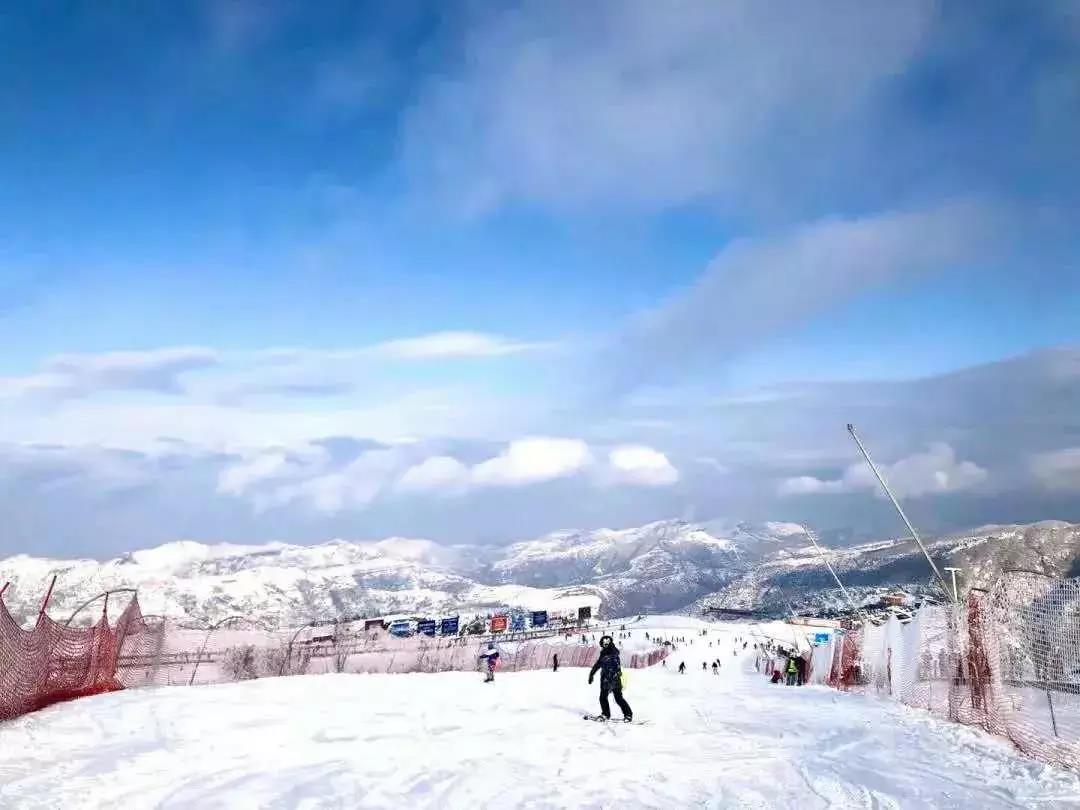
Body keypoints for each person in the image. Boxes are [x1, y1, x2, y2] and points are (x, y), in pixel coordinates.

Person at [588, 635, 633, 722]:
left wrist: (613, 677)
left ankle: (628, 714)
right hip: (606, 680)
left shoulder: (613, 652)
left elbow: (615, 666)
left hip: (613, 679)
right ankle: (606, 714)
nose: (604, 645)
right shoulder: (604, 653)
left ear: (609, 643)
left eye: (606, 643)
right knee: (603, 697)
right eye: (603, 644)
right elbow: (598, 664)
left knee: (617, 698)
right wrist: (591, 674)